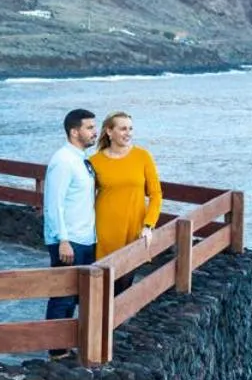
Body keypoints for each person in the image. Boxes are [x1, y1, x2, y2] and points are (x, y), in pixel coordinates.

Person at [89, 111, 163, 290]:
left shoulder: (142, 156)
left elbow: (156, 194)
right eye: (123, 129)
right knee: (105, 286)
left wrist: (148, 225)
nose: (128, 133)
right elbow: (86, 198)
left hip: (134, 230)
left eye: (130, 129)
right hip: (104, 231)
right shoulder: (94, 161)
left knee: (125, 284)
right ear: (109, 131)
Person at [42, 108, 99, 335]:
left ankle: (65, 344)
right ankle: (56, 348)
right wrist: (63, 240)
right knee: (62, 297)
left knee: (76, 297)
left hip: (85, 238)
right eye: (90, 128)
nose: (95, 132)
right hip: (68, 240)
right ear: (74, 132)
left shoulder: (81, 159)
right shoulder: (63, 161)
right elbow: (54, 204)